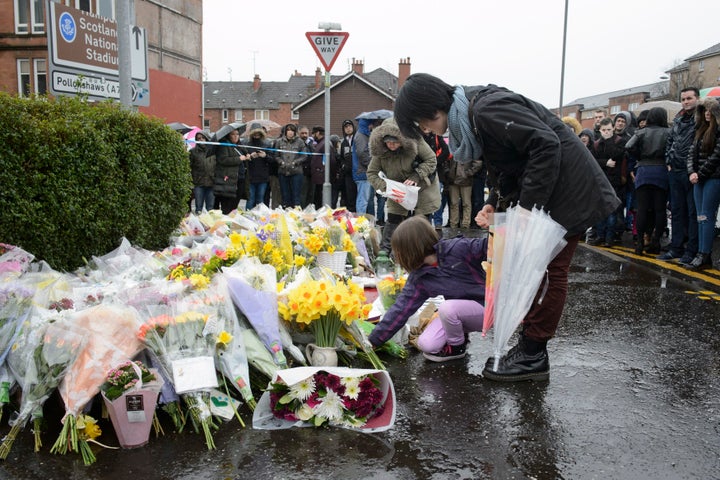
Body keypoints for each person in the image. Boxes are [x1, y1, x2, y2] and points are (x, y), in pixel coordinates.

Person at [393, 73, 619, 382]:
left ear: (431, 110)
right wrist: (496, 203)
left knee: (549, 271)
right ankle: (530, 346)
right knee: (536, 269)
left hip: (567, 193)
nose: (425, 130)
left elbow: (545, 145)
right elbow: (508, 162)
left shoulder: (487, 109)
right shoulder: (472, 117)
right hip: (554, 194)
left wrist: (527, 207)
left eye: (420, 123)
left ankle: (534, 354)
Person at [367, 216, 487, 362]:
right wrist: (373, 341)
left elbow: (491, 245)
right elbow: (400, 310)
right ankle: (459, 334)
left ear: (409, 249)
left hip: (487, 308)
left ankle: (458, 347)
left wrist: (492, 226)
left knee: (447, 308)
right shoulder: (420, 277)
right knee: (427, 345)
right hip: (457, 314)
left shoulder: (458, 249)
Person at [367, 118, 441, 253]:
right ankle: (385, 253)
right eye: (388, 142)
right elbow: (371, 173)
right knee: (394, 220)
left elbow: (431, 160)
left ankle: (426, 253)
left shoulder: (416, 141)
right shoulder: (381, 152)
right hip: (398, 191)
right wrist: (386, 188)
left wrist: (416, 176)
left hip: (423, 188)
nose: (391, 145)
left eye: (395, 142)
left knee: (421, 222)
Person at [659, 87, 700, 264]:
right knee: (676, 212)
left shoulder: (701, 119)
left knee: (692, 213)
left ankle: (691, 251)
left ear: (697, 98)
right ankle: (676, 248)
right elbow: (670, 141)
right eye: (683, 99)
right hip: (675, 171)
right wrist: (668, 160)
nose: (686, 101)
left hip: (692, 172)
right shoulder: (678, 119)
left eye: (689, 98)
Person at [625, 107, 670, 255]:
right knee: (659, 209)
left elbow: (628, 146)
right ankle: (655, 242)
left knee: (642, 209)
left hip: (643, 171)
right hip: (661, 170)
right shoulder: (668, 132)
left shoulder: (641, 132)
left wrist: (640, 156)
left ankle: (639, 245)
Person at [685, 97, 720, 270]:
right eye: (704, 110)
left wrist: (699, 173)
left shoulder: (718, 131)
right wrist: (692, 172)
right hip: (699, 179)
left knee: (706, 216)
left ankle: (705, 254)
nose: (707, 113)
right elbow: (691, 153)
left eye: (710, 110)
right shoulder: (700, 131)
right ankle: (700, 253)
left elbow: (717, 156)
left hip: (713, 178)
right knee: (700, 217)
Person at [589, 118, 627, 247]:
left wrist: (609, 141)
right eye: (604, 130)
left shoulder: (620, 141)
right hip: (600, 180)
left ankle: (609, 238)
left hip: (615, 181)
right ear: (600, 130)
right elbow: (593, 160)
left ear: (613, 129)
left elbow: (617, 155)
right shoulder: (596, 144)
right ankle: (600, 235)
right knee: (600, 210)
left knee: (612, 210)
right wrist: (606, 162)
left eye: (609, 130)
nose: (606, 133)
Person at [213, 128, 248, 214]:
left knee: (235, 203)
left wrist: (250, 156)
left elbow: (244, 156)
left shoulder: (239, 146)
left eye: (237, 134)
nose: (236, 136)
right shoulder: (224, 146)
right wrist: (238, 159)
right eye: (233, 134)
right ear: (228, 136)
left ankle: (232, 220)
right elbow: (223, 160)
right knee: (227, 204)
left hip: (240, 178)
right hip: (229, 180)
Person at [274, 123, 309, 208]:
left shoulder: (300, 142)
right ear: (285, 132)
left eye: (292, 130)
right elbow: (276, 155)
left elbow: (304, 156)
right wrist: (281, 162)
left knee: (296, 196)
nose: (290, 132)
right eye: (288, 130)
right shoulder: (279, 141)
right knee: (285, 196)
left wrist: (295, 162)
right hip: (283, 171)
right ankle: (286, 212)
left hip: (296, 172)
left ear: (295, 132)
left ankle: (296, 212)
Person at [425, 131, 453, 231]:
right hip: (424, 172)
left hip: (437, 173)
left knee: (437, 199)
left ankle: (437, 222)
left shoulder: (437, 136)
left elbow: (446, 151)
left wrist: (434, 161)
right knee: (425, 200)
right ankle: (426, 222)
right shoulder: (419, 136)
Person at [352, 118, 381, 215]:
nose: (372, 126)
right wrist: (372, 166)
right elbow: (362, 153)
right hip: (362, 173)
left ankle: (361, 221)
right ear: (367, 124)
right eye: (371, 124)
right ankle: (360, 222)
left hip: (362, 172)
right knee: (362, 200)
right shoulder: (361, 136)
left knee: (364, 199)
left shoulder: (362, 135)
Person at [242, 122, 273, 210]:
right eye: (254, 134)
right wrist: (250, 157)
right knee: (250, 200)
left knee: (260, 200)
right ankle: (248, 218)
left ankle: (260, 219)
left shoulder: (267, 144)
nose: (256, 135)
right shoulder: (245, 143)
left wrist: (265, 156)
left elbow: (272, 159)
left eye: (258, 134)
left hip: (263, 177)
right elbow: (242, 159)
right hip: (250, 176)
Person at [446, 156, 483, 229]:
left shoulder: (469, 148)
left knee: (466, 203)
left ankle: (465, 224)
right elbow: (446, 161)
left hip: (465, 181)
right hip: (453, 180)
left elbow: (478, 163)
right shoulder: (453, 147)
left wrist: (467, 173)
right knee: (454, 203)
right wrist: (448, 172)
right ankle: (454, 224)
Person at [189, 131, 215, 214]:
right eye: (199, 138)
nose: (201, 140)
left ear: (207, 138)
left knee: (210, 208)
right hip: (199, 183)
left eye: (203, 138)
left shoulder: (213, 151)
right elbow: (189, 166)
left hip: (211, 183)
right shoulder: (193, 152)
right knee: (198, 208)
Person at [339, 119, 357, 211]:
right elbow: (341, 157)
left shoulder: (357, 139)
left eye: (350, 126)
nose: (348, 129)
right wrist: (343, 166)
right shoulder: (343, 143)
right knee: (349, 196)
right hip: (348, 174)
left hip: (358, 172)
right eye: (346, 127)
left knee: (358, 196)